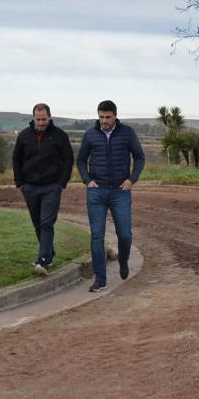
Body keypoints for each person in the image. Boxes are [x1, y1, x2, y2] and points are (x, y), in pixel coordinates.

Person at [76, 99, 145, 292]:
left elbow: (139, 157)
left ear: (115, 116)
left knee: (125, 235)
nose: (103, 120)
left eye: (107, 117)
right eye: (101, 117)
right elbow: (81, 160)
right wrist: (87, 180)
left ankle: (123, 260)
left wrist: (132, 179)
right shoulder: (90, 134)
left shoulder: (127, 133)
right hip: (96, 192)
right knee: (97, 236)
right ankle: (100, 279)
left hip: (120, 192)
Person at [12, 103, 75, 276]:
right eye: (38, 119)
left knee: (47, 222)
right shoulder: (24, 136)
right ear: (33, 118)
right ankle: (49, 252)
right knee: (37, 224)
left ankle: (43, 261)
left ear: (49, 117)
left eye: (44, 119)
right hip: (30, 187)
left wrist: (61, 183)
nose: (41, 123)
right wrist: (19, 183)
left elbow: (68, 159)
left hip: (51, 187)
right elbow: (16, 159)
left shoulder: (60, 136)